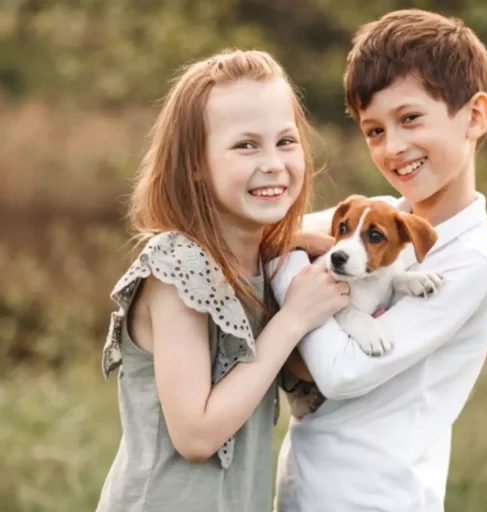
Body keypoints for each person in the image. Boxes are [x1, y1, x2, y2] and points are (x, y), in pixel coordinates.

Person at [272, 9, 487, 512]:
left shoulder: (471, 261)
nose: (394, 148)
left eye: (409, 119)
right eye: (374, 131)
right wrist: (292, 244)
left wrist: (287, 270)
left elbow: (341, 372)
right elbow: (266, 234)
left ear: (475, 116)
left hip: (375, 497)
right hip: (307, 486)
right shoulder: (378, 220)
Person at [96, 49, 351, 512]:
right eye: (245, 145)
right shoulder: (177, 268)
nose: (273, 163)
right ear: (194, 163)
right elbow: (196, 434)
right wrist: (292, 319)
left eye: (286, 141)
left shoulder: (263, 256)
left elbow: (375, 218)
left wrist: (468, 231)